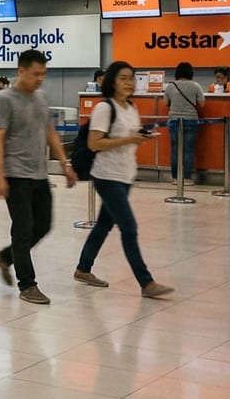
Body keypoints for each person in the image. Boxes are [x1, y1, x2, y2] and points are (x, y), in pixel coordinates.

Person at [75, 61, 174, 299]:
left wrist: (138, 137)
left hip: (125, 174)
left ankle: (83, 268)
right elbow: (94, 143)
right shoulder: (104, 108)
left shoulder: (130, 107)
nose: (129, 82)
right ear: (111, 81)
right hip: (106, 175)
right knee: (129, 227)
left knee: (104, 225)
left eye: (131, 78)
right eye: (123, 78)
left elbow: (129, 137)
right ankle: (146, 282)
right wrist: (129, 140)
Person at [0, 49, 77, 305]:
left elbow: (49, 131)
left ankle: (6, 257)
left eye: (43, 74)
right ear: (21, 71)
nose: (40, 79)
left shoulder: (41, 97)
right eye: (36, 74)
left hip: (39, 174)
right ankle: (27, 284)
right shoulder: (5, 100)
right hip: (15, 174)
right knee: (23, 229)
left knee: (43, 225)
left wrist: (64, 162)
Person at [163, 62, 205, 185]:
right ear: (191, 73)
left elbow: (166, 103)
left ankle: (175, 178)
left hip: (174, 120)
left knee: (175, 149)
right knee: (189, 150)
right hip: (191, 120)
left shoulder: (171, 86)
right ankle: (186, 178)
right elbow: (202, 103)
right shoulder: (196, 85)